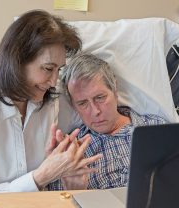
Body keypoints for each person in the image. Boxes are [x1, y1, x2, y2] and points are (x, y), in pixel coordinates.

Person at [0, 10, 102, 194]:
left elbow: (96, 116)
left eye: (58, 70)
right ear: (16, 61)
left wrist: (74, 184)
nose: (53, 81)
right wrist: (41, 176)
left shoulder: (51, 103)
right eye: (47, 69)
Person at [48, 53, 166, 190]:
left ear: (115, 89)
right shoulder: (70, 151)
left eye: (100, 97)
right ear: (73, 106)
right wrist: (75, 191)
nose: (95, 111)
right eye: (82, 103)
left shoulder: (158, 129)